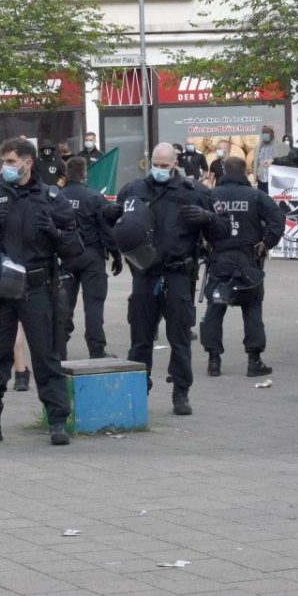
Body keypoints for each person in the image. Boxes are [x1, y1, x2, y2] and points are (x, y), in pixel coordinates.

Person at [0, 137, 81, 447]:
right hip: (0, 289)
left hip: (37, 287)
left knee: (46, 356)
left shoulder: (51, 197)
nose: (5, 167)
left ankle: (57, 422)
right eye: (3, 162)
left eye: (11, 162)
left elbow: (75, 249)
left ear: (28, 163)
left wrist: (54, 232)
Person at [114, 143, 230, 415]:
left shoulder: (196, 192)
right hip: (144, 273)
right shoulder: (133, 190)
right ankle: (137, 389)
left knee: (179, 337)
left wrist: (207, 218)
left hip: (179, 272)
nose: (159, 170)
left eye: (165, 166)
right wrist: (111, 219)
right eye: (156, 164)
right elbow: (117, 228)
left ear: (176, 163)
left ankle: (181, 391)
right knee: (140, 337)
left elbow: (223, 230)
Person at [199, 158, 285, 377]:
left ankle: (213, 360)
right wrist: (266, 243)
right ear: (246, 172)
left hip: (220, 260)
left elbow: (197, 222)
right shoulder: (256, 196)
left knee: (215, 308)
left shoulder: (212, 195)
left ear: (224, 170)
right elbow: (278, 219)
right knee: (252, 307)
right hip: (248, 261)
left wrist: (203, 246)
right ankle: (254, 361)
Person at [58, 157, 120, 359]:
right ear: (85, 175)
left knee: (63, 305)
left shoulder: (57, 197)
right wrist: (116, 255)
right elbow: (106, 230)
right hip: (91, 255)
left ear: (66, 175)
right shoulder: (94, 197)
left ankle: (59, 350)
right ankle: (96, 350)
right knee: (94, 304)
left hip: (64, 256)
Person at [255, 125, 276, 193]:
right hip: (261, 179)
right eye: (263, 132)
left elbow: (282, 160)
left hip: (272, 179)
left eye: (267, 132)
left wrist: (273, 161)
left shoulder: (278, 145)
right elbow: (256, 162)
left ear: (272, 133)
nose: (264, 134)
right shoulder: (259, 146)